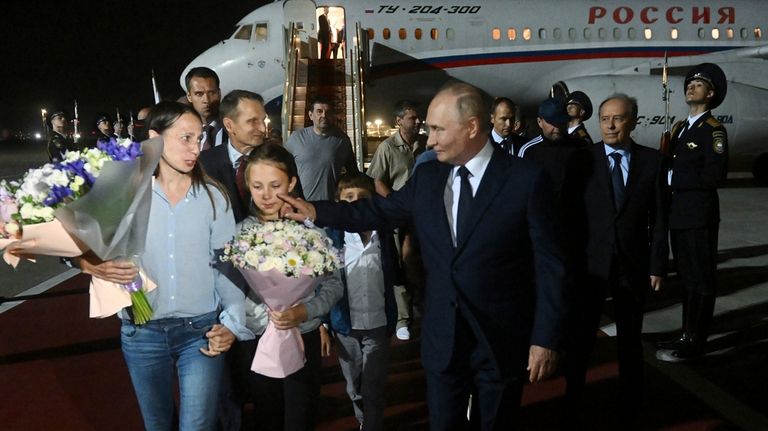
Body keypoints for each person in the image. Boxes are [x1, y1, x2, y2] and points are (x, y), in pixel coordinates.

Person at [279, 82, 568, 430]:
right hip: (442, 339)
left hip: (500, 340)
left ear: (472, 127)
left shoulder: (526, 179)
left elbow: (551, 266)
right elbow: (378, 212)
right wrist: (315, 210)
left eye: (437, 130)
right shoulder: (428, 177)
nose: (428, 140)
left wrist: (545, 338)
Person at [74, 101, 253, 430]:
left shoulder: (214, 197)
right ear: (154, 138)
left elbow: (227, 267)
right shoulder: (123, 190)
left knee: (197, 425)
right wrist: (91, 267)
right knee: (157, 424)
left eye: (198, 139)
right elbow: (74, 244)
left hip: (200, 332)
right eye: (185, 138)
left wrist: (231, 322)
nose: (194, 148)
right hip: (142, 333)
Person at [564, 95, 668, 428]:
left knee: (629, 339)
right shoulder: (583, 159)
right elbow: (571, 216)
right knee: (581, 338)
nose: (610, 125)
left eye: (618, 119)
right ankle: (574, 397)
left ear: (633, 122)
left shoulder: (651, 161)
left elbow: (660, 218)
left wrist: (657, 264)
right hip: (590, 267)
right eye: (605, 118)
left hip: (632, 264)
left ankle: (631, 401)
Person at [237, 143, 343, 431]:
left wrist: (307, 311)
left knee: (301, 417)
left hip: (302, 335)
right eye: (257, 186)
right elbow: (231, 290)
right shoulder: (240, 233)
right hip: (256, 338)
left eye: (275, 185)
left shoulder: (310, 231)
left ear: (292, 182)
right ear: (247, 184)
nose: (266, 195)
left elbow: (334, 285)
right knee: (265, 417)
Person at [656, 63, 729, 362]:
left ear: (710, 94)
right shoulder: (678, 129)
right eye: (689, 84)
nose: (691, 87)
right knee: (686, 278)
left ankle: (696, 340)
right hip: (680, 215)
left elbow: (715, 176)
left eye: (699, 85)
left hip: (699, 215)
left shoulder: (714, 130)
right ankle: (686, 332)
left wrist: (673, 178)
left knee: (701, 278)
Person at [323, 173, 398, 431]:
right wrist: (325, 323)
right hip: (346, 326)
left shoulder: (384, 235)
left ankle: (371, 425)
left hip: (377, 323)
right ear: (337, 202)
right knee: (354, 386)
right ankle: (362, 416)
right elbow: (323, 281)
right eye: (348, 198)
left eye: (362, 198)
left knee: (374, 387)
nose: (355, 203)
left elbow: (392, 273)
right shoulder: (332, 238)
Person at [366, 100, 426, 340]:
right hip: (399, 217)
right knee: (400, 265)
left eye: (418, 117)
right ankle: (403, 318)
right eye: (412, 118)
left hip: (423, 214)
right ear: (399, 121)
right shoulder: (387, 148)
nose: (417, 121)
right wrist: (394, 202)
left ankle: (424, 307)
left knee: (422, 261)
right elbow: (376, 180)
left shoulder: (425, 146)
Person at [199, 90, 268, 223]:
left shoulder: (279, 159)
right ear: (229, 125)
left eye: (262, 120)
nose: (263, 129)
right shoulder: (204, 163)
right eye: (252, 121)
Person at [284, 95, 359, 201]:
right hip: (301, 205)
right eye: (319, 111)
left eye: (328, 112)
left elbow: (353, 173)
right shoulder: (296, 138)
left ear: (333, 116)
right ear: (311, 115)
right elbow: (282, 167)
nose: (324, 115)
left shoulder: (342, 140)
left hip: (330, 206)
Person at [519, 98, 589, 201]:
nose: (557, 127)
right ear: (539, 122)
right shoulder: (529, 150)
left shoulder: (579, 146)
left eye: (561, 122)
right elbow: (521, 189)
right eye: (552, 122)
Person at [185, 66, 223, 150]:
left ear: (219, 93)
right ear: (189, 96)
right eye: (199, 94)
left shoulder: (233, 129)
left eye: (211, 93)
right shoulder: (184, 134)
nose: (206, 100)